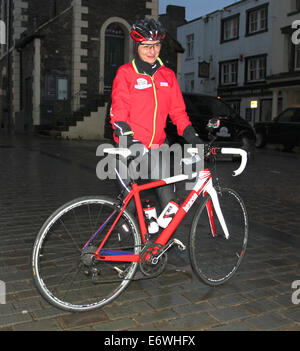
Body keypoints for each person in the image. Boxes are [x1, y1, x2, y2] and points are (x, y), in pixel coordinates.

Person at [110, 17, 202, 213]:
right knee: (130, 208)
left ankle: (166, 244)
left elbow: (178, 112)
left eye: (156, 45)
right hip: (129, 148)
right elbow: (119, 113)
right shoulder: (126, 73)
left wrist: (192, 136)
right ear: (137, 46)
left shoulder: (167, 76)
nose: (152, 51)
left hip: (157, 148)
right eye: (146, 46)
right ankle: (125, 238)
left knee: (170, 205)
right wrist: (130, 141)